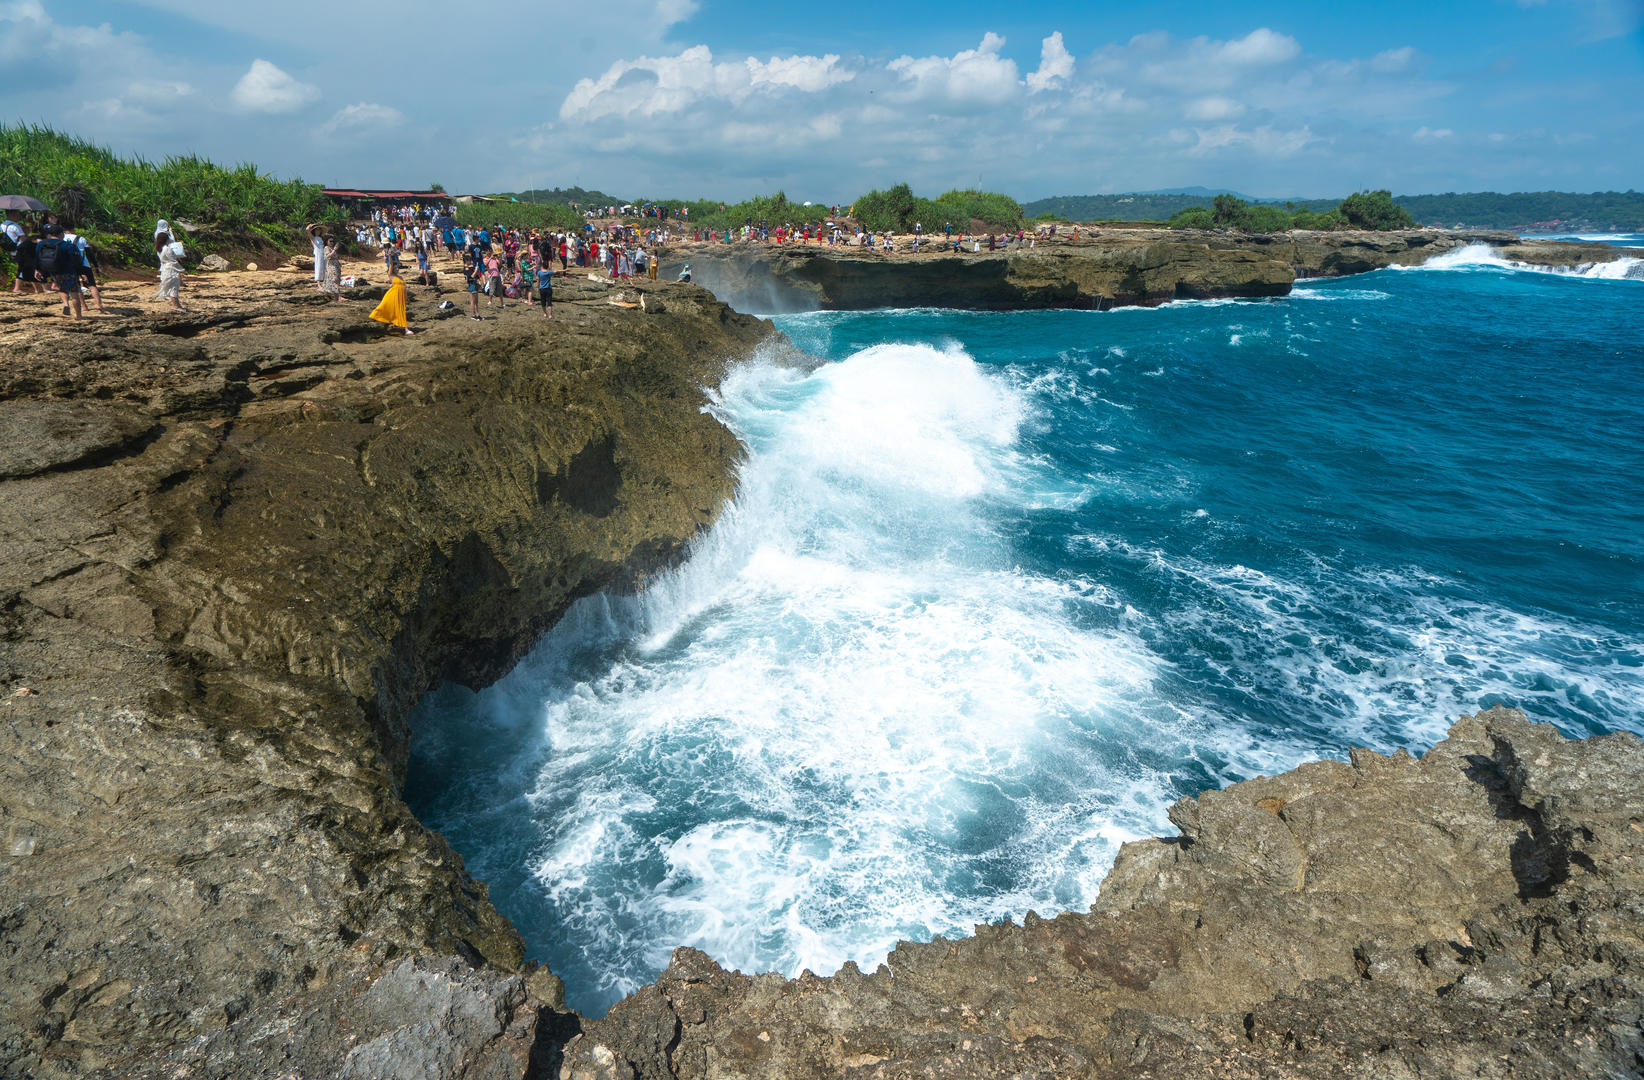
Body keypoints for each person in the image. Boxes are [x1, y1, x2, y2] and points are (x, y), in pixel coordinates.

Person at [155, 229, 187, 312]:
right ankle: (176, 306)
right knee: (174, 288)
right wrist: (183, 270)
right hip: (171, 270)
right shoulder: (167, 249)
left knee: (172, 288)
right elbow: (173, 261)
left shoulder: (161, 249)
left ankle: (178, 305)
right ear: (166, 240)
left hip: (166, 269)